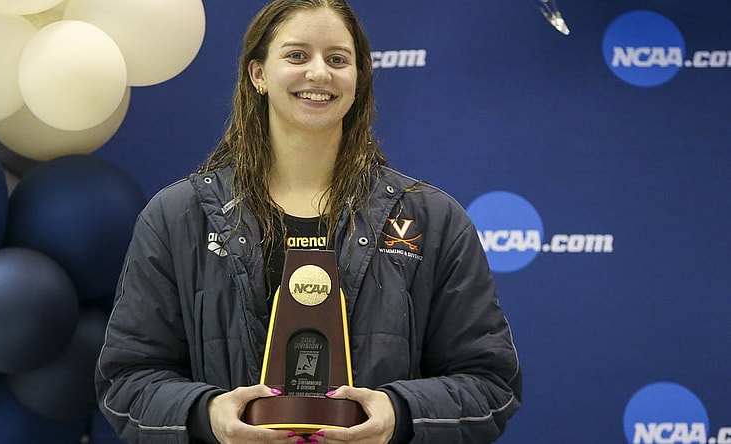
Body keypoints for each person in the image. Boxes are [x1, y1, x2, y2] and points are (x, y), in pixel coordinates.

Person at [95, 0, 522, 443]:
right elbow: (126, 381)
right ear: (257, 74)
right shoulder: (177, 216)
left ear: (358, 79)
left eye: (337, 59)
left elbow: (490, 382)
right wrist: (206, 415)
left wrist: (400, 414)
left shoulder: (431, 219)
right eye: (297, 55)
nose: (319, 73)